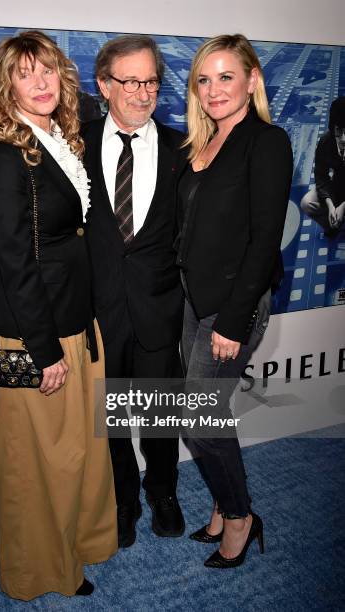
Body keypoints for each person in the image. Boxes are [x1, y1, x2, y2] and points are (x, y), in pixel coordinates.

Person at [0, 30, 117, 600]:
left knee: (77, 451)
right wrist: (44, 349)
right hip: (38, 333)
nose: (41, 82)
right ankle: (44, 571)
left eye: (48, 70)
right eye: (25, 73)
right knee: (40, 464)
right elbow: (14, 260)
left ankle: (77, 544)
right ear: (6, 87)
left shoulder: (54, 138)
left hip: (75, 320)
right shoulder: (7, 153)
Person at [176, 34, 293, 568]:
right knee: (193, 417)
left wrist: (234, 318)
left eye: (226, 76)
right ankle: (225, 502)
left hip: (230, 307)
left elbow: (265, 238)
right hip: (189, 302)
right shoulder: (197, 146)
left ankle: (242, 515)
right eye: (204, 79)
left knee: (202, 419)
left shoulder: (266, 141)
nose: (214, 89)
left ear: (252, 80)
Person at [82, 35, 185, 548]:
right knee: (114, 417)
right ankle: (123, 500)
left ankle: (163, 490)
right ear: (104, 85)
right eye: (131, 81)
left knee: (161, 413)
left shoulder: (181, 149)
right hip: (99, 312)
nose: (144, 93)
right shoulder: (72, 146)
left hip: (160, 309)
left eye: (152, 81)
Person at [301, 96, 345, 237]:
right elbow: (320, 176)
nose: (343, 138)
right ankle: (333, 223)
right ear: (332, 128)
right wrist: (331, 205)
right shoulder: (326, 142)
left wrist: (344, 206)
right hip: (338, 186)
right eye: (339, 130)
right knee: (307, 203)